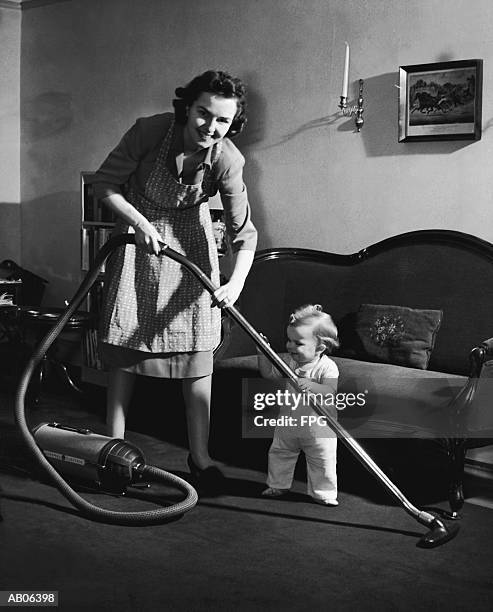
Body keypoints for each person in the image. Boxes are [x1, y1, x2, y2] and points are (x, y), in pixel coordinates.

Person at [92, 70, 257, 491]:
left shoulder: (227, 159)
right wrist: (138, 222)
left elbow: (244, 234)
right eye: (203, 114)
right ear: (188, 107)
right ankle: (112, 449)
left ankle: (200, 458)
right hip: (136, 241)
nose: (210, 127)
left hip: (191, 249)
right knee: (125, 338)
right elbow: (105, 185)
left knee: (200, 344)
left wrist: (234, 283)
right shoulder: (150, 131)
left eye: (222, 120)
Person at [257, 304, 341, 506]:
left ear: (320, 347)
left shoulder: (327, 367)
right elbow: (268, 374)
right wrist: (262, 353)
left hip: (319, 428)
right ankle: (278, 485)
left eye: (298, 343)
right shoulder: (289, 362)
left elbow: (330, 391)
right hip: (289, 424)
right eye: (289, 340)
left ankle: (324, 492)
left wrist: (312, 385)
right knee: (279, 454)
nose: (290, 347)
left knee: (323, 460)